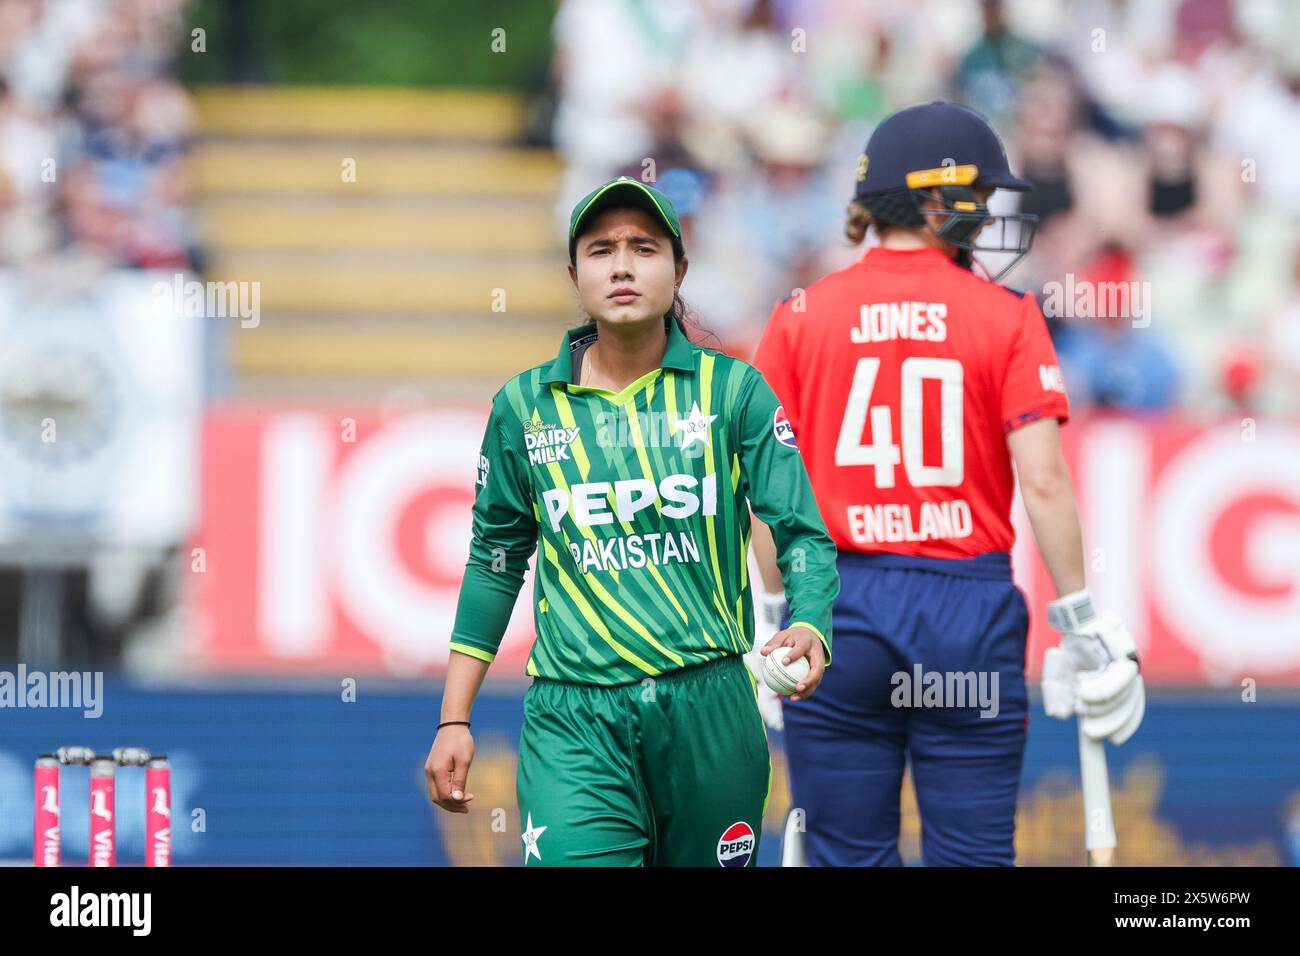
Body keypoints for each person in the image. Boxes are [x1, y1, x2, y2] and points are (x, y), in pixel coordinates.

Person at [749, 102, 1145, 866]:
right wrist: (1084, 619)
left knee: (846, 855)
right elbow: (1047, 485)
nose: (993, 218)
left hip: (835, 613)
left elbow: (769, 494)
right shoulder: (1005, 315)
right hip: (966, 613)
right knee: (972, 856)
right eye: (980, 199)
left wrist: (774, 615)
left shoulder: (799, 315)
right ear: (935, 199)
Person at [425, 176, 840, 867]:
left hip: (710, 707)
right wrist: (454, 717)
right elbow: (494, 562)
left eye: (644, 248)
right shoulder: (523, 406)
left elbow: (801, 532)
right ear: (573, 273)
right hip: (573, 718)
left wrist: (812, 622)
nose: (621, 265)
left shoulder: (733, 390)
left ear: (679, 269)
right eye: (601, 250)